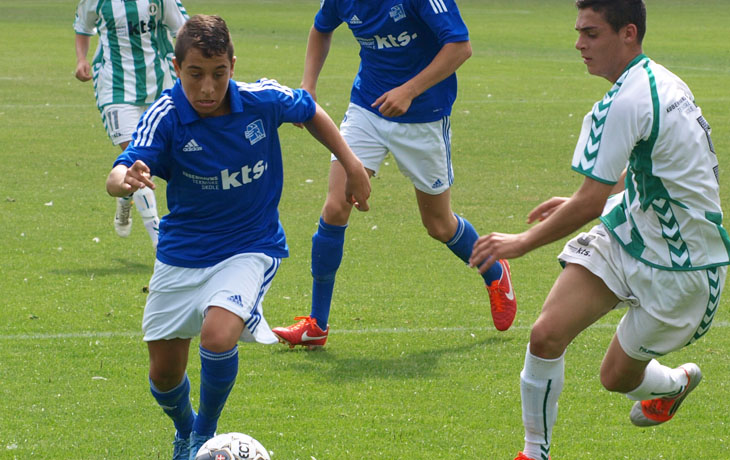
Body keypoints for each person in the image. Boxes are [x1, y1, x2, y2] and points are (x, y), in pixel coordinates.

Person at [467, 1, 728, 459]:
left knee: (615, 378)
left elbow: (591, 202)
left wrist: (521, 242)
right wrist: (587, 197)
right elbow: (655, 163)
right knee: (546, 335)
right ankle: (534, 451)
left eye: (591, 34)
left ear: (628, 33)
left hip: (683, 267)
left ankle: (675, 383)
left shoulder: (629, 99)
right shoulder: (656, 81)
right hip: (632, 226)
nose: (579, 44)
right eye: (579, 32)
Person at [105, 14, 371, 460]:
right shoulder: (166, 116)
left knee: (218, 334)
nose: (208, 88)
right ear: (176, 68)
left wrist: (352, 163)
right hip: (182, 254)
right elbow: (119, 170)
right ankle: (185, 430)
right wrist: (124, 180)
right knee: (163, 376)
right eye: (195, 75)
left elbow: (309, 109)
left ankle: (203, 436)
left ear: (233, 65)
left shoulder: (260, 99)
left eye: (219, 73)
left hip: (250, 246)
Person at [272, 0, 517, 349]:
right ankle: (317, 324)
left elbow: (460, 47)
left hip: (424, 115)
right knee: (336, 207)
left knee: (438, 225)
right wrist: (308, 85)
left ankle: (495, 271)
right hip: (367, 107)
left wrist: (409, 90)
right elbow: (321, 28)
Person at [74, 0, 189, 249]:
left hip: (160, 85)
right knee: (138, 161)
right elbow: (83, 26)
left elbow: (182, 31)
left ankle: (125, 194)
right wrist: (81, 59)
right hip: (115, 87)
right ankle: (159, 243)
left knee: (158, 161)